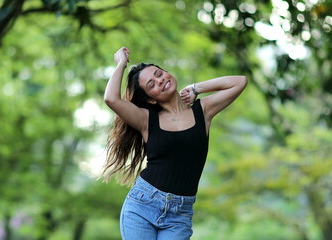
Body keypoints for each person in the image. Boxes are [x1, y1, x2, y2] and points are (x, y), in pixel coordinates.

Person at [102, 46, 247, 240]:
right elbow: (111, 98)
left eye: (159, 74)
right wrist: (121, 63)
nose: (160, 80)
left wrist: (196, 88)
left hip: (179, 215)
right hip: (142, 207)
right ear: (151, 100)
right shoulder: (146, 119)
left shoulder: (202, 111)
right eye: (152, 84)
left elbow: (239, 82)